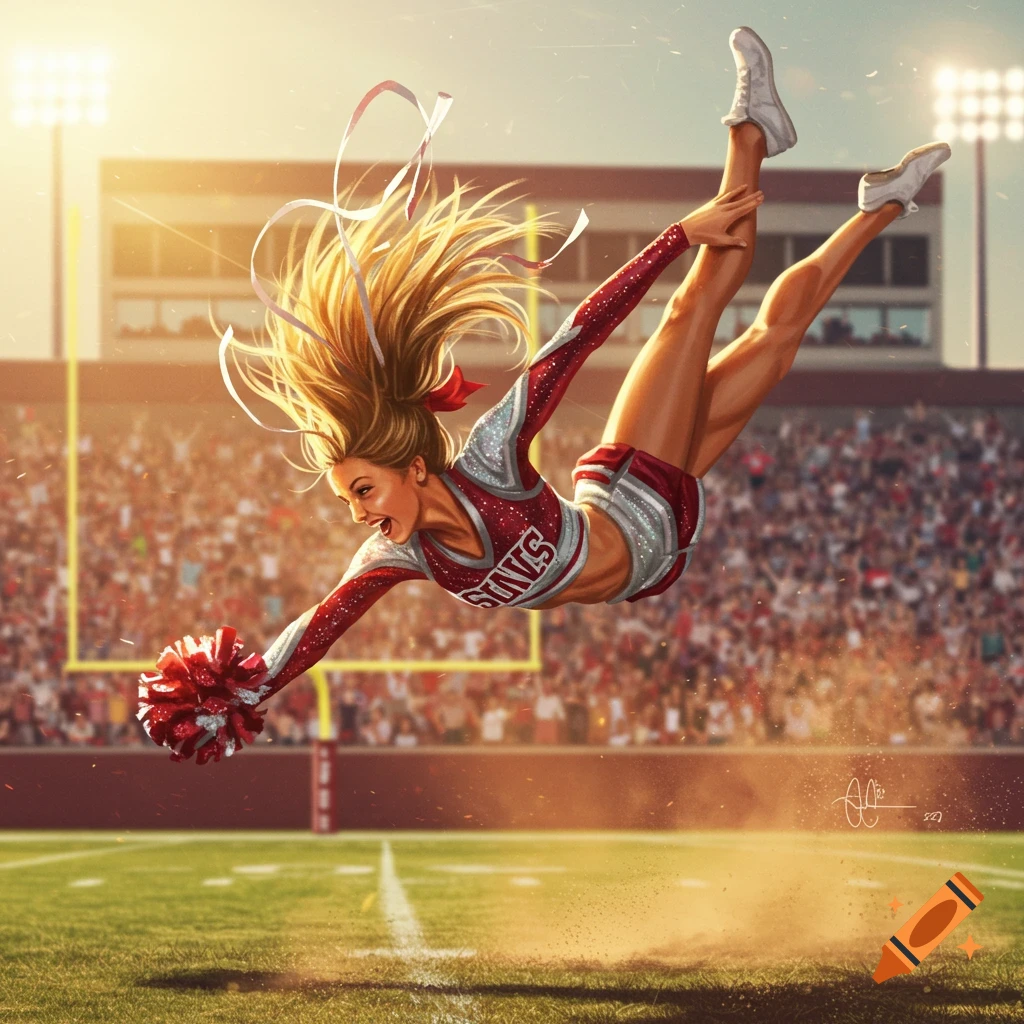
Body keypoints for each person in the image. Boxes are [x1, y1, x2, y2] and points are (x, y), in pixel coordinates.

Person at [139, 27, 952, 763]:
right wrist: (229, 693)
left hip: (633, 495)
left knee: (708, 315)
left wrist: (674, 235)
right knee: (765, 348)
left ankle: (770, 144)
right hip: (654, 560)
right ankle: (852, 189)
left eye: (361, 488)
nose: (357, 511)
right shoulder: (396, 554)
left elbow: (573, 342)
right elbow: (303, 639)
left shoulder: (489, 459)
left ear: (412, 467)